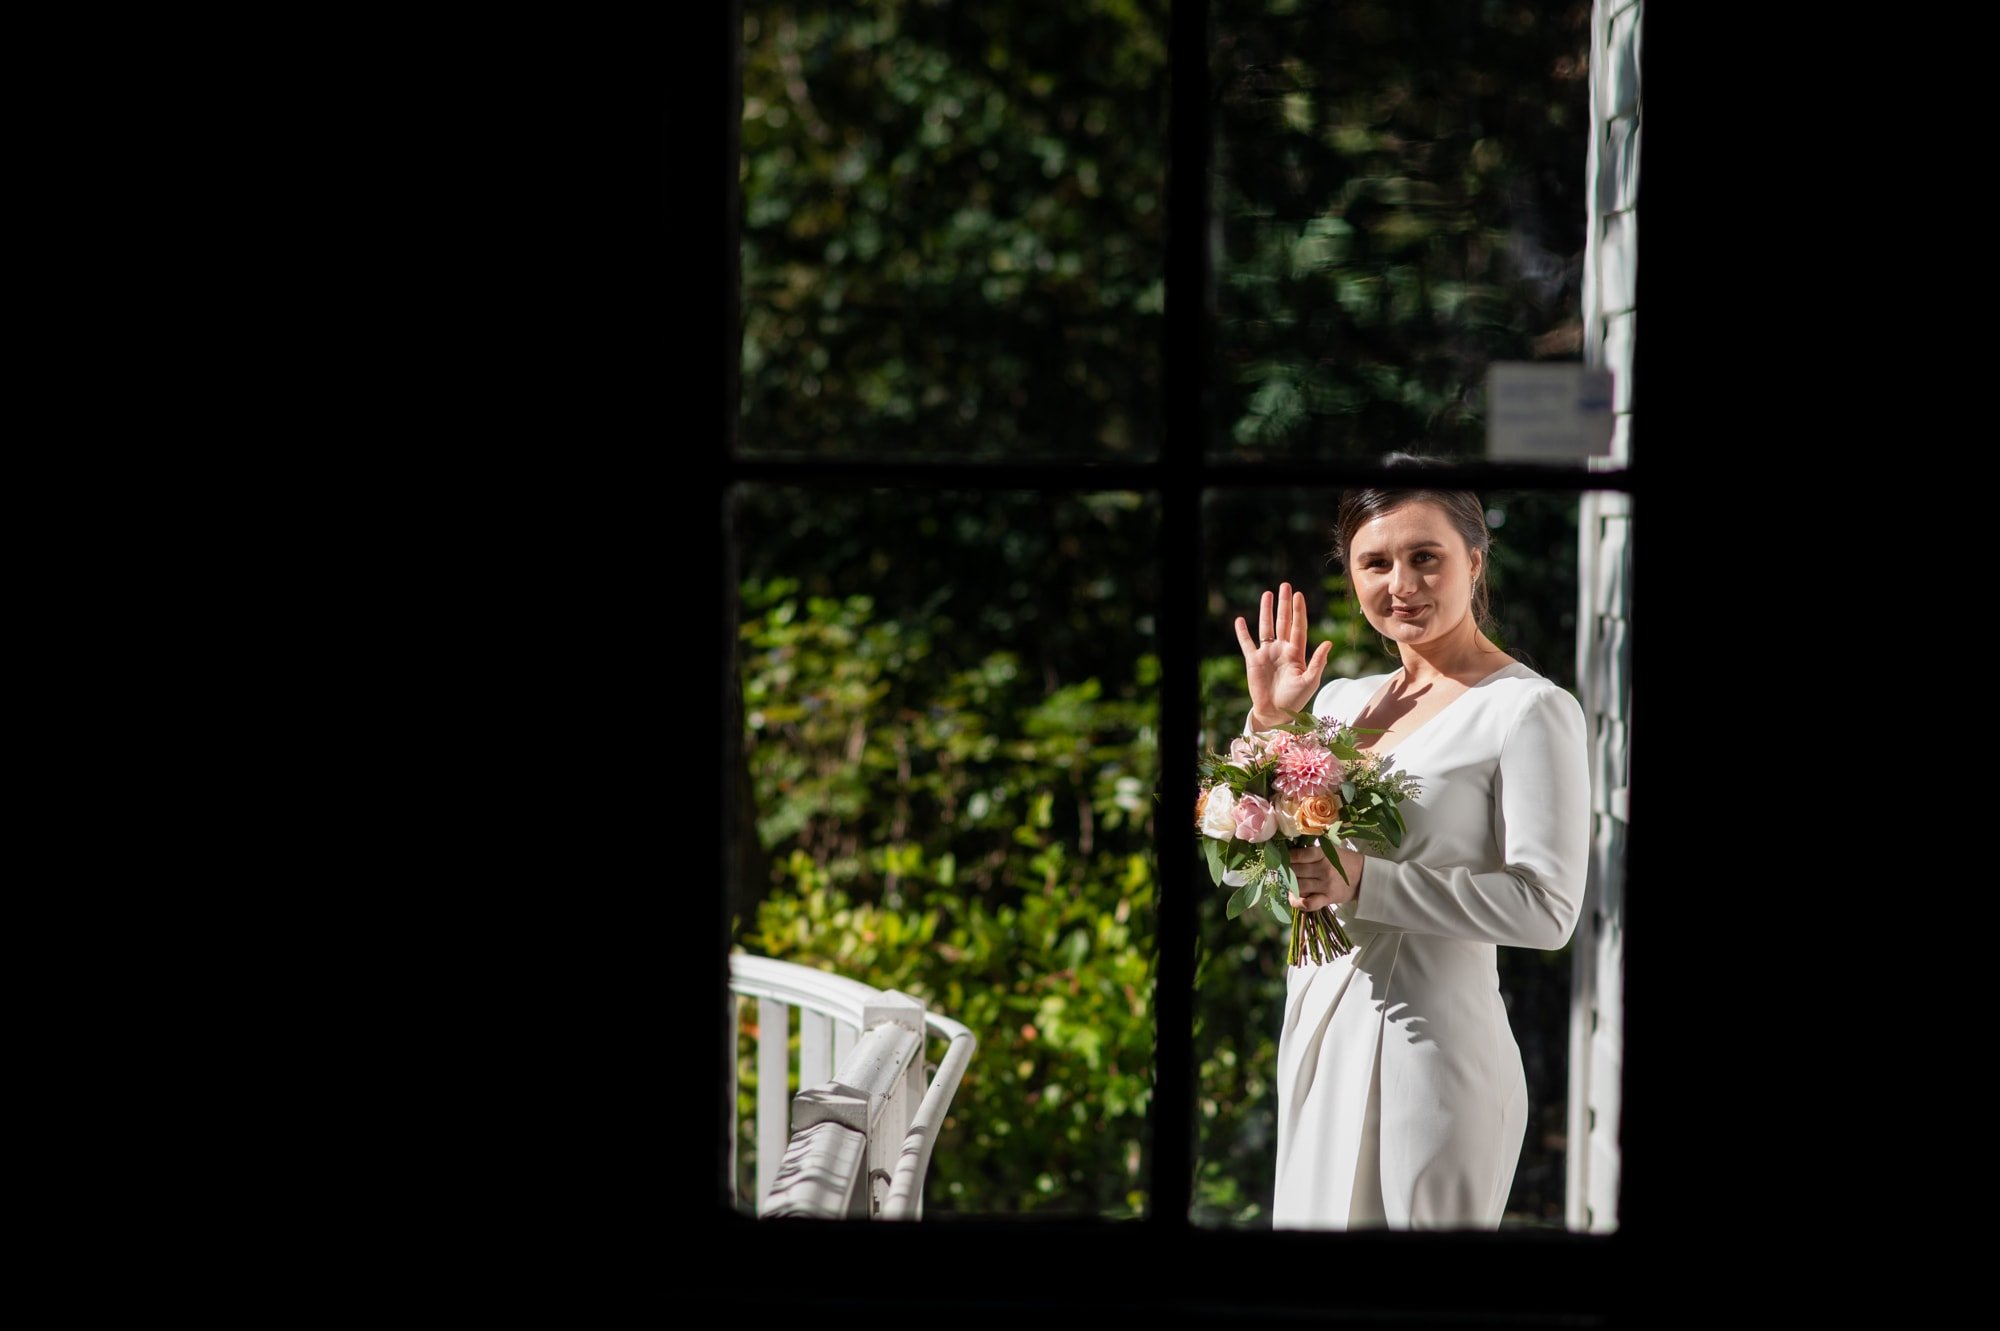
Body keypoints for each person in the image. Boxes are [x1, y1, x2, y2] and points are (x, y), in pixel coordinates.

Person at [1231, 452, 1591, 1230]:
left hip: (1432, 1054)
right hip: (1320, 1030)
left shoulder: (1528, 709)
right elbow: (1273, 873)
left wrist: (1371, 881)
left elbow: (1549, 908)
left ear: (1474, 558)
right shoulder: (1345, 700)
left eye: (1426, 557)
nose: (1402, 584)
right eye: (1377, 562)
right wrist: (1270, 726)